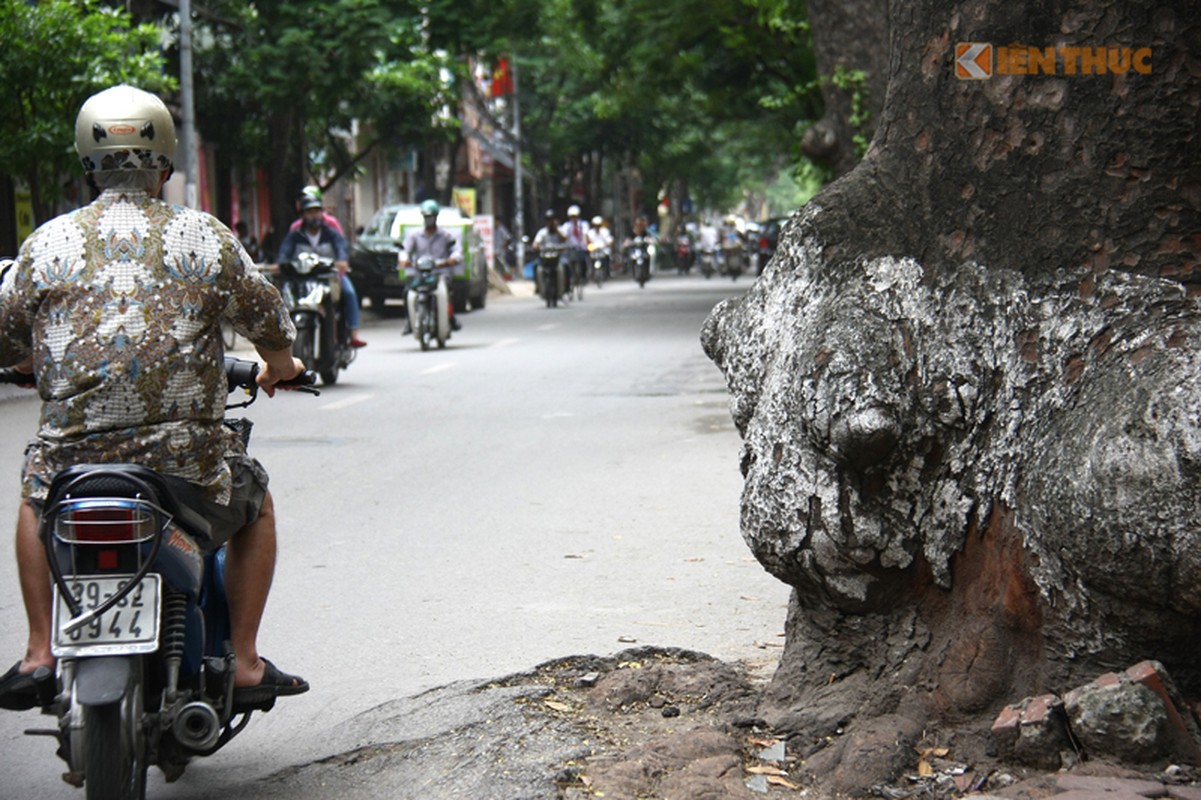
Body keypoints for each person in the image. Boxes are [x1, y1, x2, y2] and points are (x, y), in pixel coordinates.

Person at [0, 84, 308, 711]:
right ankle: (244, 663)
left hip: (73, 467)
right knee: (258, 504)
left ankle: (38, 653)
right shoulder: (204, 236)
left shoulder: (44, 244)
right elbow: (271, 325)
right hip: (183, 469)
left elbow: (6, 340)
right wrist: (281, 366)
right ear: (164, 161)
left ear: (87, 160)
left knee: (37, 496)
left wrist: (33, 362)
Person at [277, 195, 368, 347]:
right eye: (310, 212)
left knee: (349, 293)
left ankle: (353, 334)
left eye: (317, 211)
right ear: (303, 215)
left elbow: (342, 250)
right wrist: (280, 266)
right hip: (303, 279)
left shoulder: (331, 234)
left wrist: (341, 262)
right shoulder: (295, 236)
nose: (314, 215)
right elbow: (284, 255)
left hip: (330, 277)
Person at [399, 199, 463, 333]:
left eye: (431, 216)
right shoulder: (414, 235)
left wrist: (453, 259)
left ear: (436, 217)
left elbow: (457, 250)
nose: (429, 219)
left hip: (440, 274)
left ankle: (450, 318)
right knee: (407, 292)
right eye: (426, 217)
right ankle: (410, 322)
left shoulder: (445, 235)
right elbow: (405, 250)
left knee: (448, 291)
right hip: (420, 274)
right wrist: (404, 260)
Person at [562, 204, 590, 291]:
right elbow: (564, 236)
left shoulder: (584, 224)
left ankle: (583, 276)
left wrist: (585, 244)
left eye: (575, 216)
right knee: (569, 264)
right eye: (572, 216)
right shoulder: (566, 226)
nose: (574, 218)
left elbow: (585, 235)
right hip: (570, 248)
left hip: (581, 247)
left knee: (583, 261)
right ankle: (570, 279)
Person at [587, 215, 613, 280]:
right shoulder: (590, 232)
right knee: (590, 260)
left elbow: (609, 239)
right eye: (596, 225)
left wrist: (609, 243)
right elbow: (588, 241)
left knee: (606, 258)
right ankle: (591, 272)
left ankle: (607, 272)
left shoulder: (605, 231)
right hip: (594, 250)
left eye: (598, 225)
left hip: (603, 250)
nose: (597, 227)